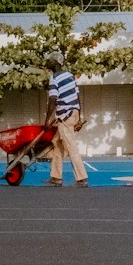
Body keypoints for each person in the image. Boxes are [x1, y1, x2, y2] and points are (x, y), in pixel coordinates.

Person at [44, 52, 88, 187]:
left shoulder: (54, 78)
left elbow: (53, 99)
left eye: (50, 60)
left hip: (65, 116)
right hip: (72, 113)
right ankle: (56, 176)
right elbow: (77, 96)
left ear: (56, 63)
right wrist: (78, 117)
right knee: (57, 143)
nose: (47, 62)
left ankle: (82, 178)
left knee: (71, 146)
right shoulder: (70, 76)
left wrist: (47, 120)